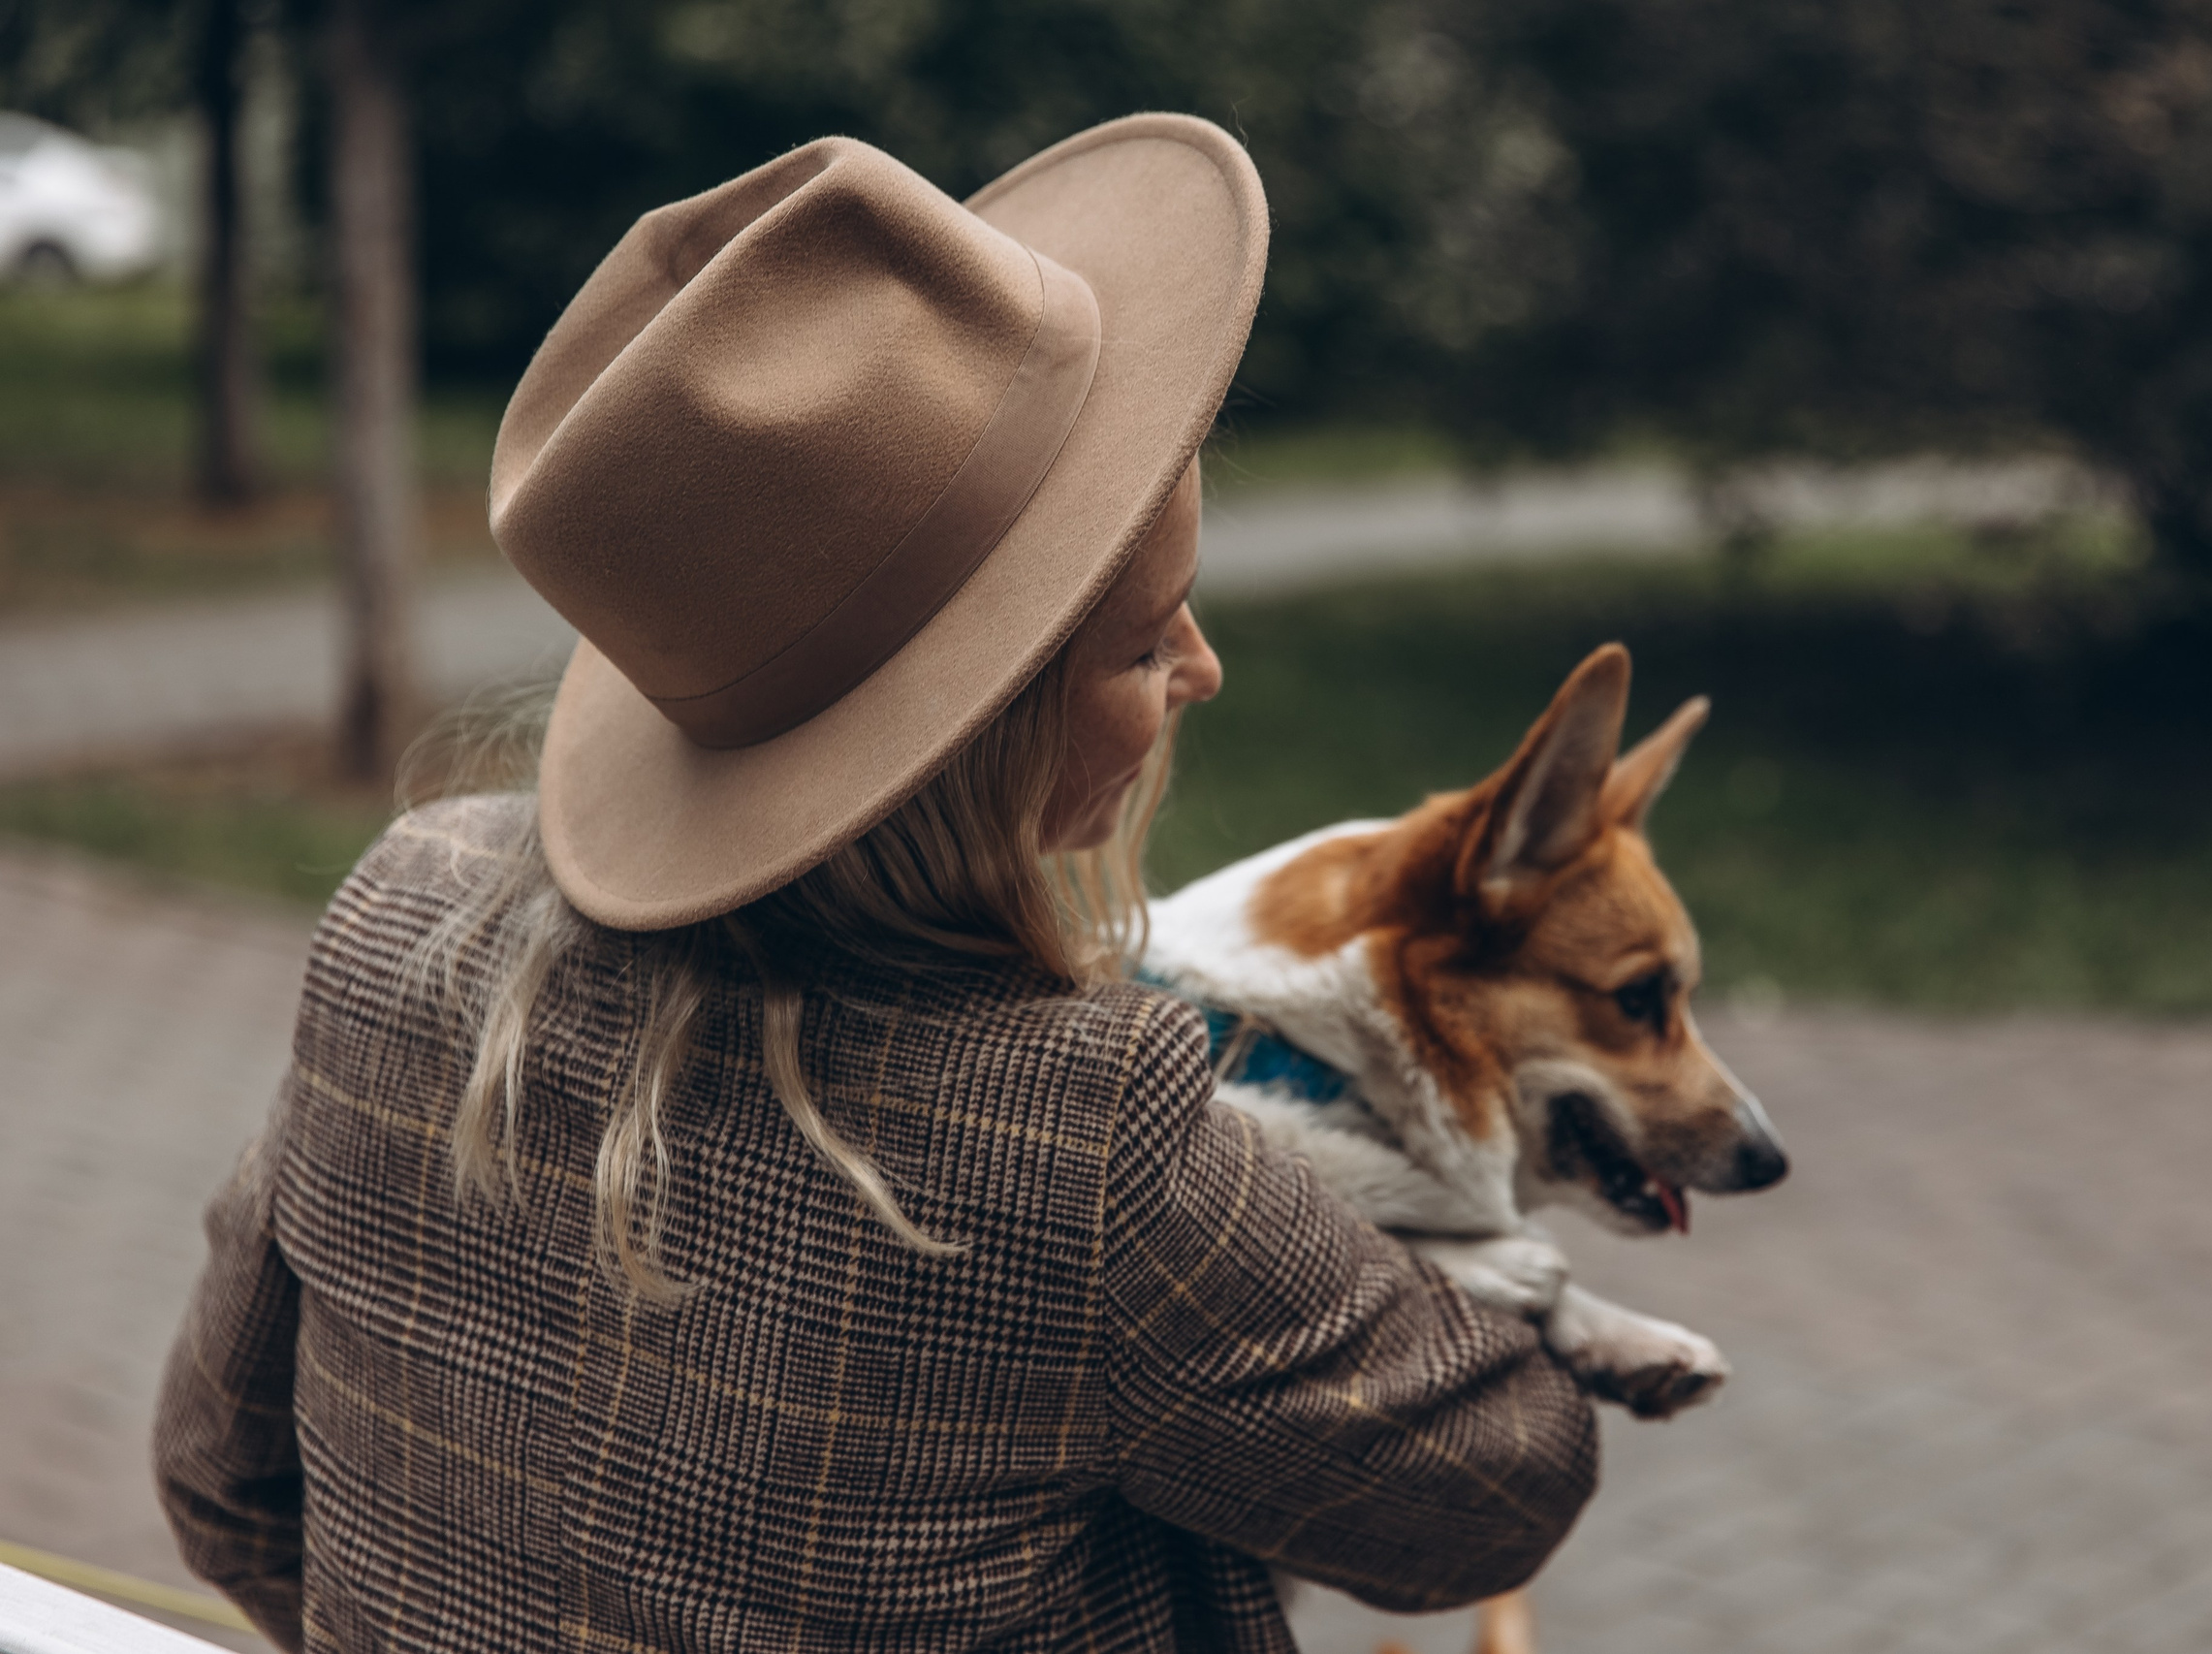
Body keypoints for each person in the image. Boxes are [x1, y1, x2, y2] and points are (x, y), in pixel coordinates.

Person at [151, 114, 1597, 1653]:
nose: (1203, 666)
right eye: (1141, 636)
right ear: (970, 733)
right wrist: (1388, 1205)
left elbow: (224, 1483)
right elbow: (1497, 1491)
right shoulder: (1081, 1127)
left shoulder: (405, 912)